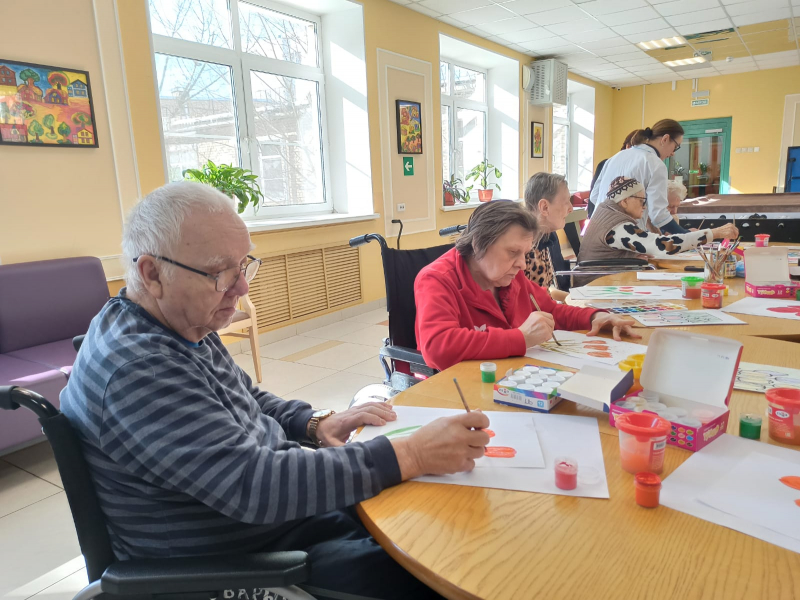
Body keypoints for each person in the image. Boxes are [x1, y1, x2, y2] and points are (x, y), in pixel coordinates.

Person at [60, 181, 489, 600]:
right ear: (152, 273)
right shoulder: (140, 368)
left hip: (279, 523)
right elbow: (254, 486)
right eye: (219, 273)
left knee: (435, 518)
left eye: (242, 266)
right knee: (443, 567)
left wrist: (313, 423)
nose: (241, 288)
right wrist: (410, 454)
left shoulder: (176, 321)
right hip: (243, 559)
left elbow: (246, 398)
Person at [414, 201, 639, 372]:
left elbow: (550, 311)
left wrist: (594, 317)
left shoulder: (509, 275)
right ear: (478, 244)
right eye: (513, 252)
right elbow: (438, 347)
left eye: (525, 253)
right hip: (463, 387)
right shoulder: (436, 279)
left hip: (512, 374)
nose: (522, 264)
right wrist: (520, 338)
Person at [577, 176, 738, 285]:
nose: (645, 206)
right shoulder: (617, 226)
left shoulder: (606, 211)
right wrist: (714, 233)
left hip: (604, 278)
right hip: (598, 284)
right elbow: (665, 246)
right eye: (642, 201)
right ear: (624, 201)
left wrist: (630, 255)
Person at [589, 119, 688, 235]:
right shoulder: (655, 164)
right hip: (623, 237)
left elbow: (594, 197)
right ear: (665, 139)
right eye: (676, 147)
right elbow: (658, 215)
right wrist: (687, 235)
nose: (673, 153)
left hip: (595, 232)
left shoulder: (615, 157)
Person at [522, 172, 573, 301]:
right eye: (566, 202)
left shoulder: (545, 236)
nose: (571, 208)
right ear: (544, 207)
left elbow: (546, 291)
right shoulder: (523, 247)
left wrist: (578, 301)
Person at [588, 129, 638, 217]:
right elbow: (594, 196)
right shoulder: (606, 164)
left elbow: (594, 196)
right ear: (628, 147)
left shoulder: (609, 163)